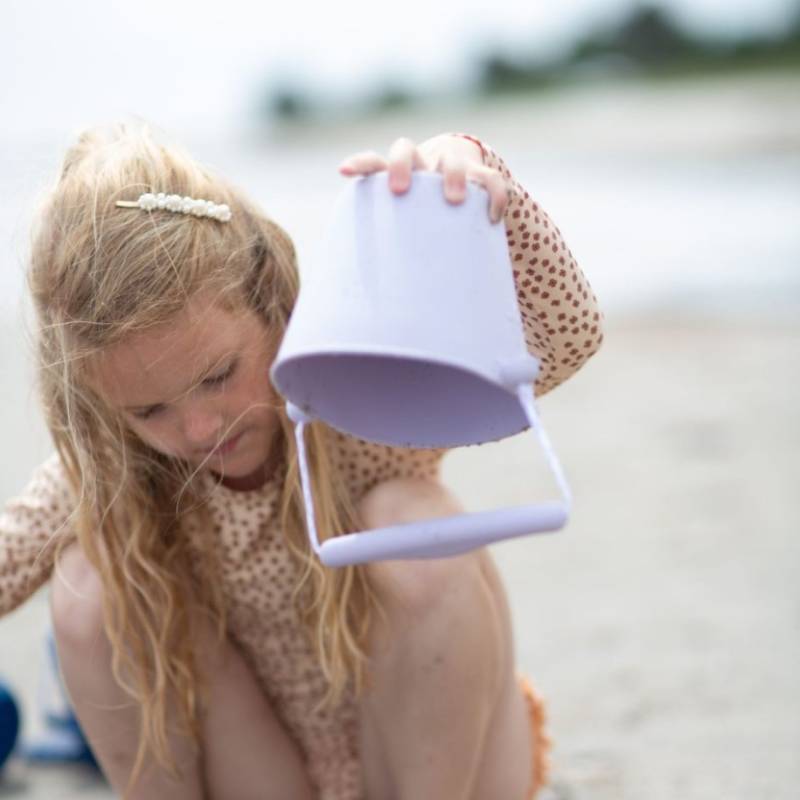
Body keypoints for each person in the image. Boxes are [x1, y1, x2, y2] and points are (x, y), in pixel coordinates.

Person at [0, 120, 604, 799]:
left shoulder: (351, 393)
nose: (199, 429)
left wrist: (473, 177)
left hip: (434, 758)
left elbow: (564, 340)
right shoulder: (118, 466)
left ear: (271, 304)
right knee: (92, 581)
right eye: (149, 412)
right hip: (266, 773)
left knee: (409, 521)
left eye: (218, 375)